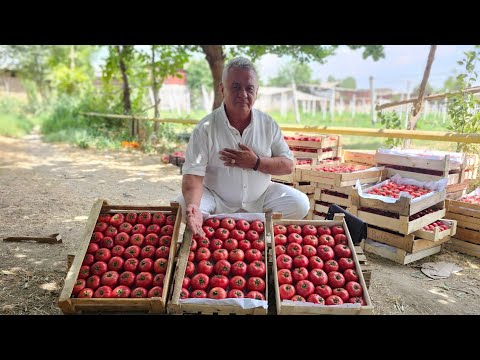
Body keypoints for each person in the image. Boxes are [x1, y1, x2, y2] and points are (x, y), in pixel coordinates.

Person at [175, 56, 310, 237]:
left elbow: (288, 165)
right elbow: (193, 177)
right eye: (236, 87)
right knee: (183, 206)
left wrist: (256, 162)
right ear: (222, 89)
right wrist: (193, 205)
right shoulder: (205, 128)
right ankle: (251, 223)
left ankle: (225, 223)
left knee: (300, 203)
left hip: (260, 198)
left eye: (249, 88)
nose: (243, 94)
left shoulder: (268, 124)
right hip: (217, 198)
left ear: (257, 91)